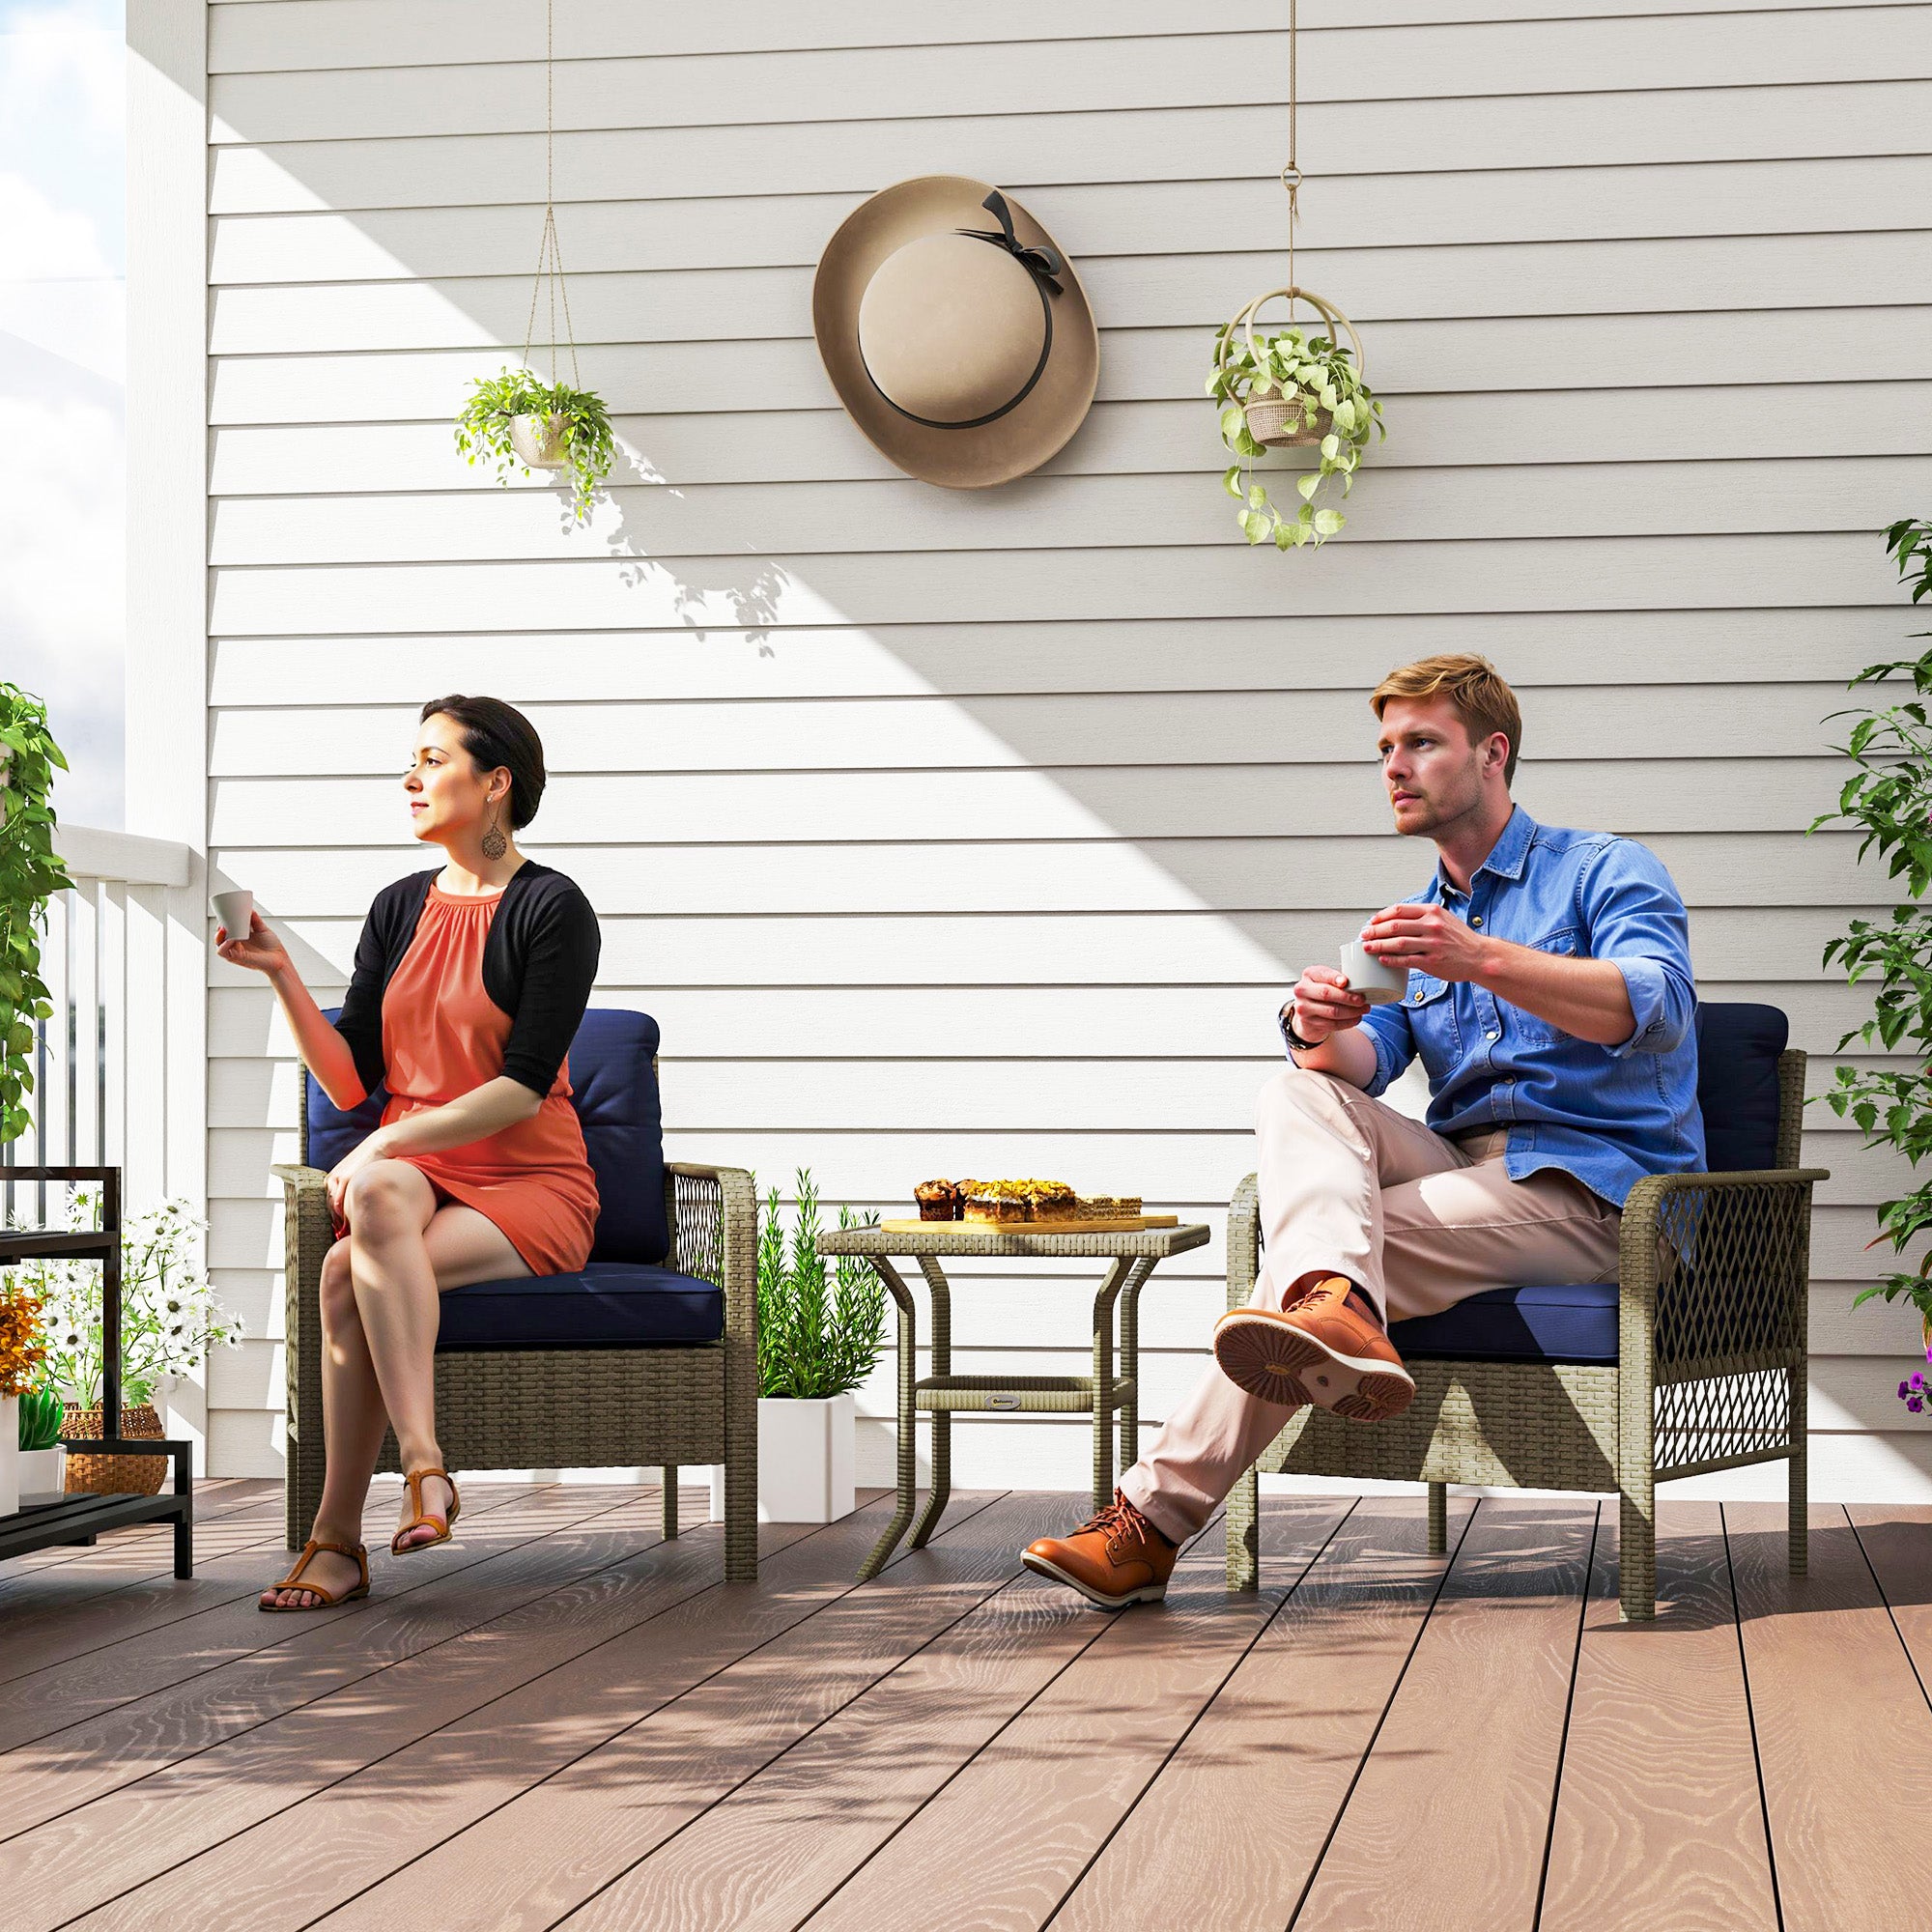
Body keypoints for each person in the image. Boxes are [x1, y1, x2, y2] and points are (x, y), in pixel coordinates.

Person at [1021, 654, 1703, 1608]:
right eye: (1385, 745)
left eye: (1420, 741)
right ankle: (1333, 1300)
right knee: (1294, 1095)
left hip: (1600, 1196)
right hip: (1467, 1174)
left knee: (1296, 1277)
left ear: (1491, 752)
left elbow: (1657, 1005)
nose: (1393, 763)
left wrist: (1482, 959)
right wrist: (1317, 1022)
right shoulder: (1404, 926)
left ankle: (1148, 1519)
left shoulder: (1602, 868)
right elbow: (1361, 1065)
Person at [220, 696, 602, 1611]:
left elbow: (519, 1085)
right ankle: (426, 1467)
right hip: (422, 1177)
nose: (411, 780)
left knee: (348, 1272)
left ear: (495, 780)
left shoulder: (553, 909)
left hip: (530, 1181)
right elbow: (353, 1081)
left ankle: (337, 1541)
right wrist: (281, 976)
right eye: (414, 762)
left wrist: (391, 1133)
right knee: (381, 1200)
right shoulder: (397, 909)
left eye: (432, 761)